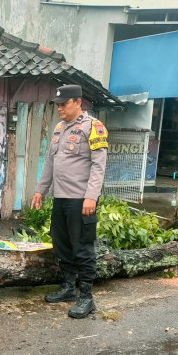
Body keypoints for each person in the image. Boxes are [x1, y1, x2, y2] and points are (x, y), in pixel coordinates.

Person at [31, 84, 108, 318]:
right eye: (58, 105)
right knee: (61, 243)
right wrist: (40, 190)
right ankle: (68, 288)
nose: (60, 109)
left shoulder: (93, 127)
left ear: (78, 102)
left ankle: (86, 297)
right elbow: (50, 162)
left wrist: (91, 197)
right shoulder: (59, 128)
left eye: (64, 104)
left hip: (80, 200)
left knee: (82, 248)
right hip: (60, 198)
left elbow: (99, 165)